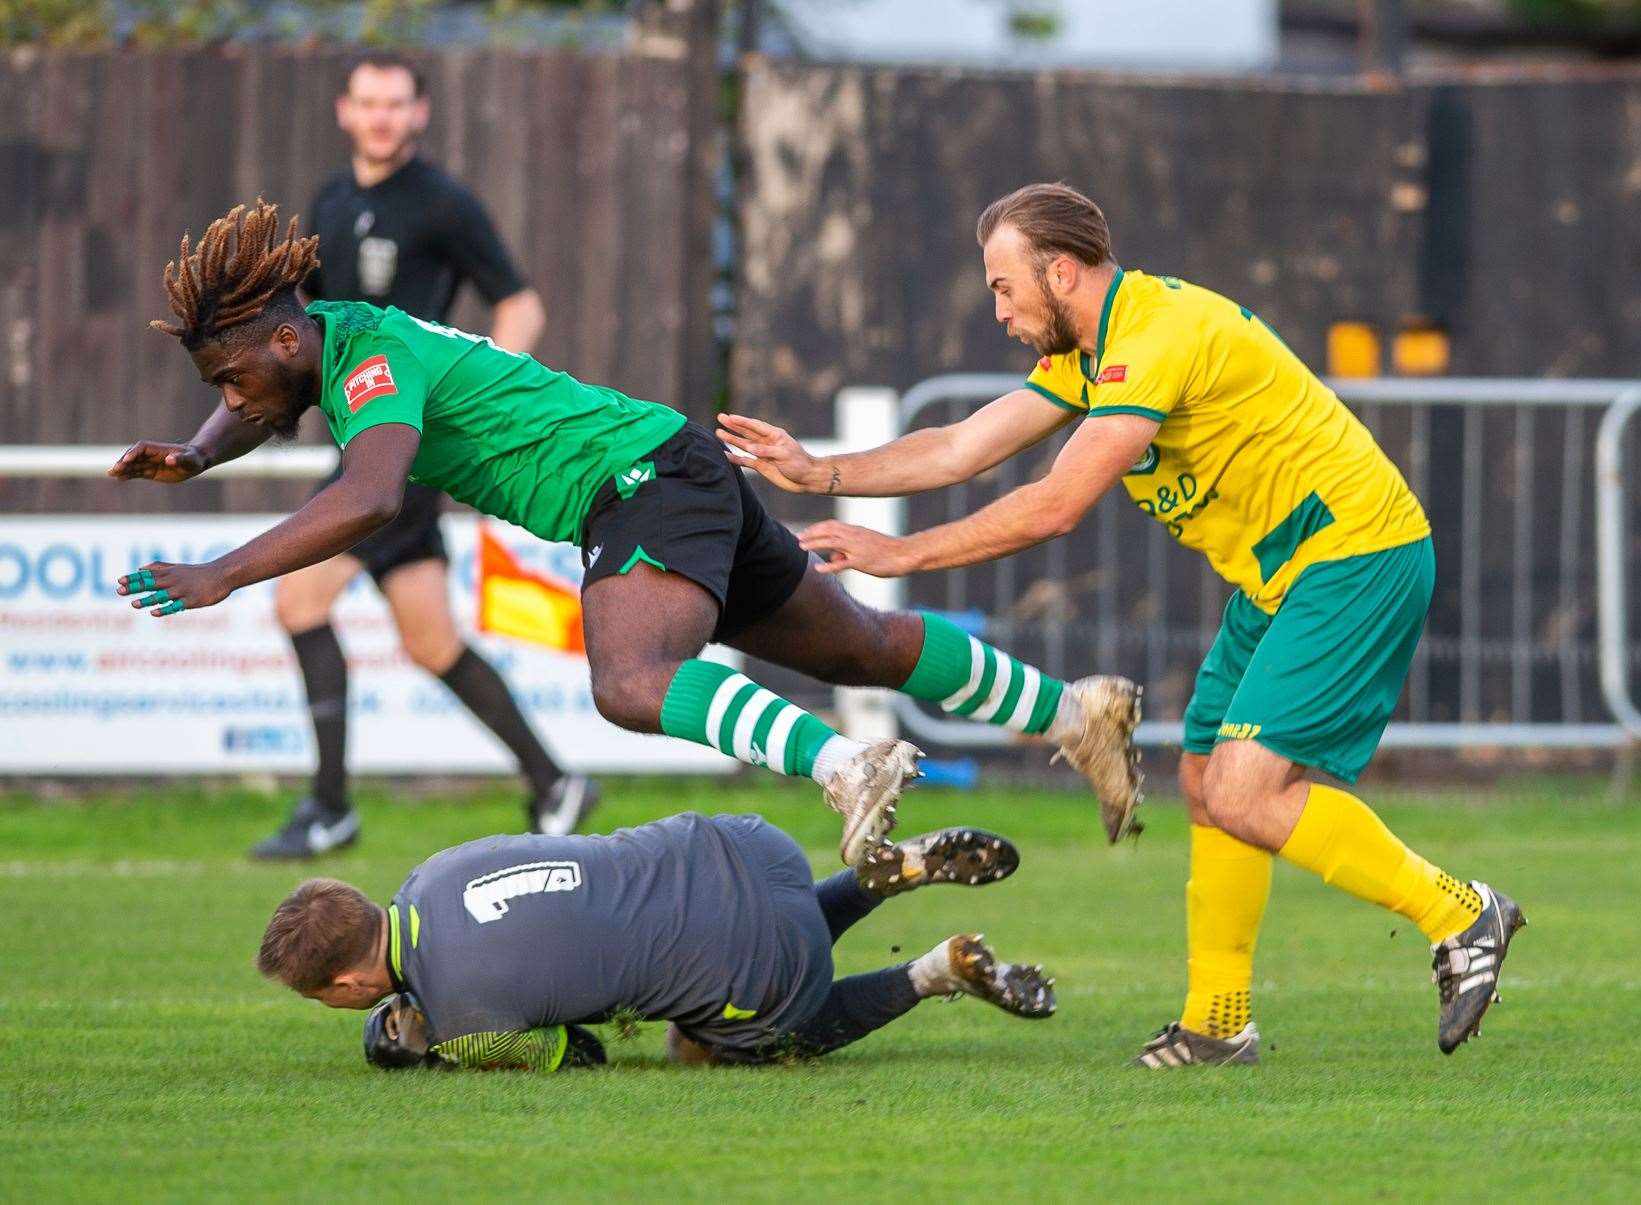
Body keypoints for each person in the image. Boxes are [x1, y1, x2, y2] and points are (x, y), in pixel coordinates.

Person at [716, 182, 1525, 1060]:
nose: (998, 309)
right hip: (1280, 578)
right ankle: (1217, 1022)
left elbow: (1055, 505)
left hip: (1353, 556)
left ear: (1059, 272)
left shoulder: (1151, 338)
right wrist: (818, 470)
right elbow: (961, 443)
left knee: (1251, 792)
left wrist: (901, 555)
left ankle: (1460, 913)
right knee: (1209, 779)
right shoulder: (1093, 347)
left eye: (1002, 285)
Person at [108, 198, 1143, 867]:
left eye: (233, 378)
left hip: (639, 480)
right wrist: (197, 456)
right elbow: (262, 402)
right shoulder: (329, 349)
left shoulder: (367, 364)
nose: (233, 399)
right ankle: (1075, 714)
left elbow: (373, 493)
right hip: (669, 467)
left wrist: (225, 570)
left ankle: (848, 767)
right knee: (862, 644)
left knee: (629, 681)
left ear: (288, 337)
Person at [252, 52, 582, 859]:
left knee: (297, 604)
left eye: (395, 104)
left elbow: (522, 303)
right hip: (368, 439)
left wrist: (483, 399)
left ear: (419, 114)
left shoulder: (442, 203)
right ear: (345, 111)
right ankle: (553, 780)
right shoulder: (331, 198)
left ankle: (330, 807)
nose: (381, 117)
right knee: (431, 641)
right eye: (368, 103)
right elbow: (309, 313)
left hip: (401, 446)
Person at [256, 817, 1053, 1070]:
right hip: (746, 846)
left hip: (753, 958)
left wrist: (436, 1047)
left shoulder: (468, 1030)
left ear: (350, 985)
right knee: (748, 925)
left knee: (763, 1037)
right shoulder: (437, 868)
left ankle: (933, 971)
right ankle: (884, 874)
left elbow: (582, 1055)